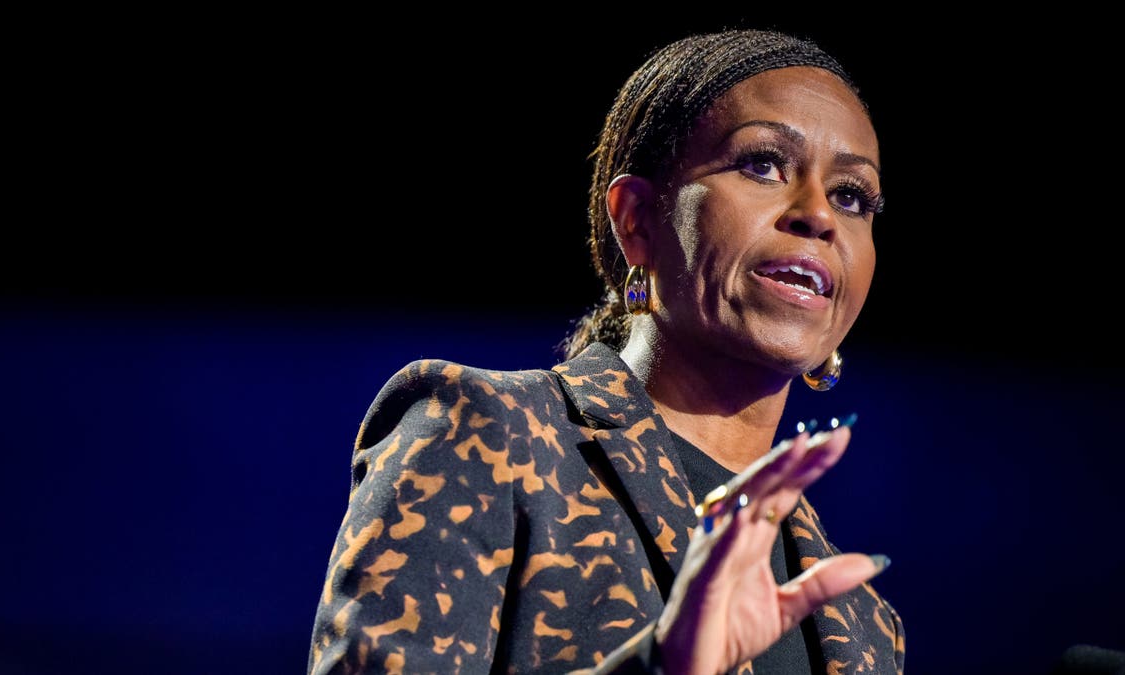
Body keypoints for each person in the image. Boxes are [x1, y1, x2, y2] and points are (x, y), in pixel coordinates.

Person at [308, 28, 904, 674]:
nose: (818, 213)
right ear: (638, 219)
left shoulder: (866, 624)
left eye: (852, 196)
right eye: (762, 163)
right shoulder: (489, 435)